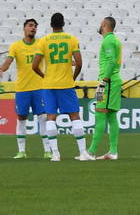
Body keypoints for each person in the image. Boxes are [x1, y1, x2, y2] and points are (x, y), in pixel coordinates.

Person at [32, 12, 89, 161]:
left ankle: (55, 154)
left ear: (51, 25)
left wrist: (44, 76)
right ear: (63, 24)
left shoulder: (43, 41)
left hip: (49, 85)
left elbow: (34, 66)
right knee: (74, 116)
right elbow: (79, 63)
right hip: (66, 84)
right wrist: (73, 77)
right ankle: (83, 152)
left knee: (50, 117)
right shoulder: (71, 39)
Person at [0, 18, 44, 159]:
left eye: (35, 26)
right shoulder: (16, 46)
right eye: (30, 25)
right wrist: (2, 68)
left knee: (43, 117)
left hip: (39, 87)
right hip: (22, 89)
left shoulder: (41, 44)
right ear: (24, 28)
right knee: (21, 118)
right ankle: (21, 151)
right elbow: (9, 61)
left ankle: (47, 150)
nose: (33, 28)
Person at [90, 16, 123, 161]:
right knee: (111, 115)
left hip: (107, 82)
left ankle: (91, 152)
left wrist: (104, 81)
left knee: (100, 112)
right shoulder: (115, 40)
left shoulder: (108, 41)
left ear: (104, 25)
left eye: (101, 24)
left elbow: (110, 61)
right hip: (110, 81)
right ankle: (113, 152)